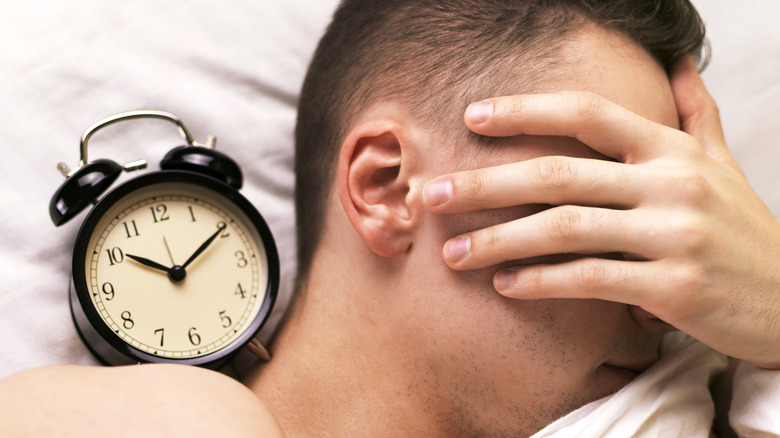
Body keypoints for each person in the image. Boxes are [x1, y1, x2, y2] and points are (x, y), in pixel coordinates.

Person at [1, 0, 779, 436]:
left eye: (682, 225)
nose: (668, 297)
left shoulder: (702, 398)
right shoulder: (164, 423)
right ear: (386, 186)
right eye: (609, 211)